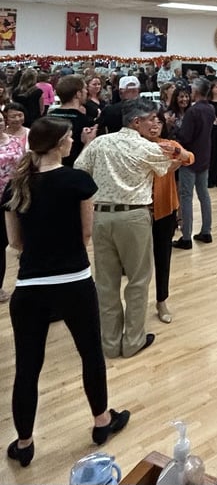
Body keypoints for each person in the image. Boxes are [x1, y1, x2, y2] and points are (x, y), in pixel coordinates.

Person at [3, 118, 130, 468]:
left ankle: (25, 443)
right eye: (71, 138)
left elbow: (14, 242)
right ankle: (102, 421)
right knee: (90, 354)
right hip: (74, 282)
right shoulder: (78, 182)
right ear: (60, 143)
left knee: (28, 368)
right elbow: (85, 235)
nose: (73, 141)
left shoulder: (17, 184)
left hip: (29, 289)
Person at [75, 98, 175, 358]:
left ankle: (109, 342)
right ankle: (132, 340)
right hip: (133, 217)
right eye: (150, 118)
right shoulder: (147, 148)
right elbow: (165, 171)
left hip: (101, 216)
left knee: (106, 282)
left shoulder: (100, 142)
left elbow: (80, 169)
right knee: (138, 280)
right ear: (136, 121)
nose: (155, 123)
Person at [140, 113, 193, 324]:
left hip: (164, 210)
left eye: (159, 122)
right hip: (139, 211)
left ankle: (161, 300)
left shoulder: (168, 144)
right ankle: (137, 304)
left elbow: (189, 158)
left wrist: (177, 153)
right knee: (138, 263)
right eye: (150, 121)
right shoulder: (135, 145)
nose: (154, 126)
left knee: (163, 257)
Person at [174, 79, 215, 248]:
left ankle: (186, 237)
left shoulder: (193, 111)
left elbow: (185, 137)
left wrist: (175, 129)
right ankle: (206, 231)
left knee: (186, 197)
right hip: (204, 156)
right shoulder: (210, 109)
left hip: (189, 158)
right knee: (203, 194)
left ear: (196, 92)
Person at [0, 108, 25, 303]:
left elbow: (23, 166)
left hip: (13, 198)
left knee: (12, 242)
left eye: (0, 120)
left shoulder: (16, 142)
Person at [47, 75, 94, 166]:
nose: (86, 91)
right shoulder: (86, 122)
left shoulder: (47, 118)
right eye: (84, 88)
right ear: (78, 94)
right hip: (75, 168)